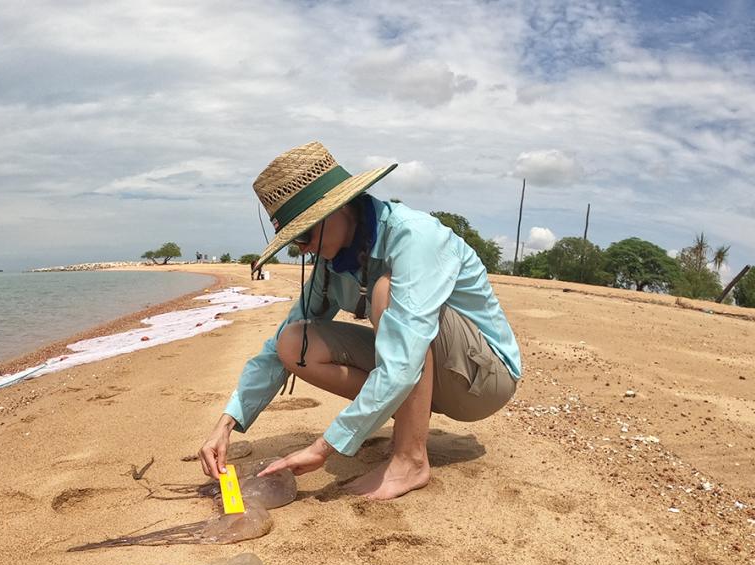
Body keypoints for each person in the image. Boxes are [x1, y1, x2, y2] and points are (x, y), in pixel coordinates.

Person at [199, 141, 522, 500]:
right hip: (425, 372)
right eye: (293, 241)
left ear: (339, 208)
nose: (302, 249)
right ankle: (407, 424)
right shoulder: (333, 263)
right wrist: (226, 423)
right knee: (292, 342)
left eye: (304, 234)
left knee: (386, 292)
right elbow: (277, 349)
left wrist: (325, 446)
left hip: (482, 382)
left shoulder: (414, 236)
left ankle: (411, 460)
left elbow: (405, 355)